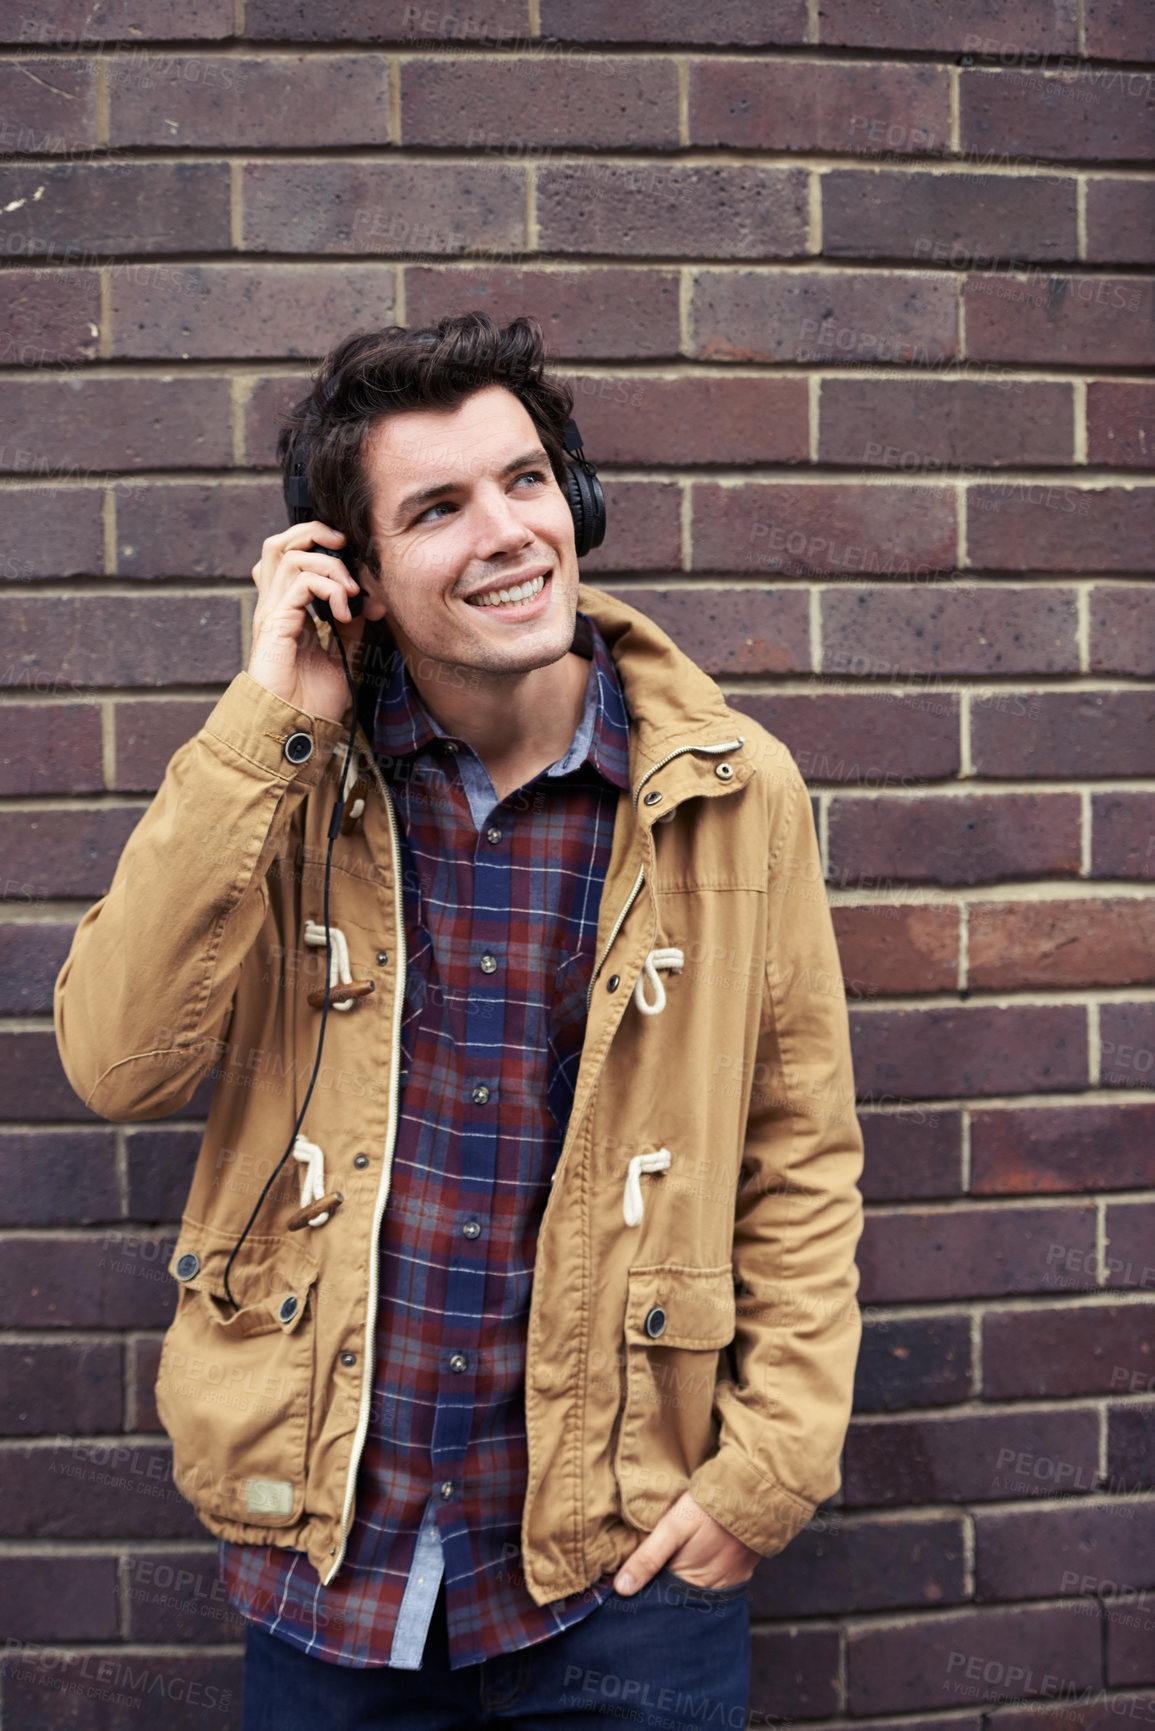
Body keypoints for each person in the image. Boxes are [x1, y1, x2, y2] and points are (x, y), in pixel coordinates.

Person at [54, 312, 865, 1730]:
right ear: (353, 578)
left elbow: (799, 1153)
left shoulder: (736, 791)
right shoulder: (288, 783)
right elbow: (117, 1060)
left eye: (529, 481)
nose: (508, 532)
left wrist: (770, 1469)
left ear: (580, 502)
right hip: (331, 1566)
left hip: (625, 1573)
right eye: (437, 509)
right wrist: (266, 729)